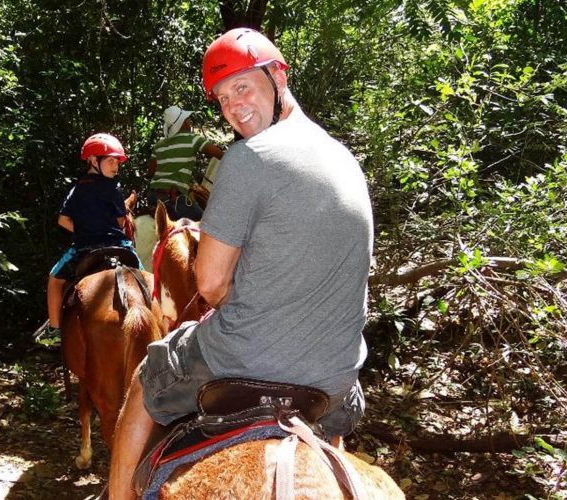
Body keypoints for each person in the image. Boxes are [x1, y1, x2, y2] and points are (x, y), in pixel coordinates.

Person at [108, 28, 374, 499]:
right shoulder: (346, 159)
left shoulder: (249, 157)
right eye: (223, 97)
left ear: (278, 76)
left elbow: (209, 283)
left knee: (149, 375)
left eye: (243, 87)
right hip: (337, 377)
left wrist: (245, 302)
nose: (233, 106)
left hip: (245, 358)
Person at [45, 133, 141, 340]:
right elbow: (121, 222)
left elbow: (62, 220)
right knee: (145, 278)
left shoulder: (77, 189)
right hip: (118, 245)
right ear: (93, 160)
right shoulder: (114, 188)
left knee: (54, 280)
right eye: (110, 160)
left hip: (85, 247)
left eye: (117, 161)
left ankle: (54, 330)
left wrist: (84, 230)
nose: (116, 166)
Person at [146, 105, 223, 220]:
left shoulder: (159, 145)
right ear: (183, 122)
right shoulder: (193, 139)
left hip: (153, 196)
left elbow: (151, 171)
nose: (190, 122)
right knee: (208, 223)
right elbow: (220, 155)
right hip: (173, 200)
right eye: (188, 119)